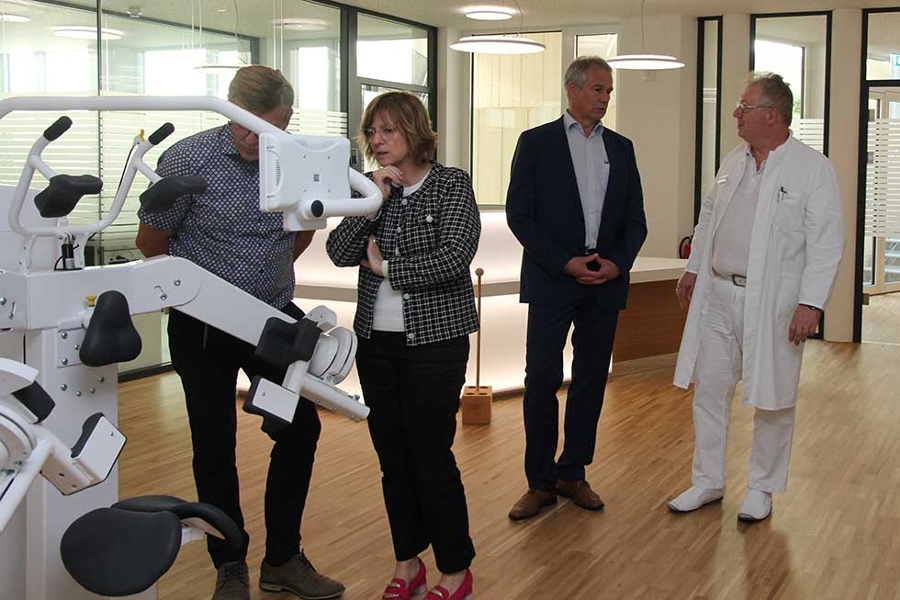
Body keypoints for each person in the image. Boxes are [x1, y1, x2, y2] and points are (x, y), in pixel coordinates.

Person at [135, 66, 344, 600]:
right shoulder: (186, 159)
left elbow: (298, 236)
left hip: (270, 317)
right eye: (242, 126)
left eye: (266, 128)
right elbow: (151, 244)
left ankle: (283, 559)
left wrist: (259, 275)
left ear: (287, 119)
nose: (251, 140)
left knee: (299, 430)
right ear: (226, 111)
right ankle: (229, 565)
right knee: (213, 444)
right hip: (200, 323)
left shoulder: (299, 161)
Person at [667, 72, 844, 522]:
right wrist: (692, 269)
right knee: (709, 390)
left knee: (773, 396)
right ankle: (707, 481)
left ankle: (762, 489)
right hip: (718, 294)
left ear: (771, 114)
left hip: (775, 304)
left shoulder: (811, 168)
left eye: (743, 107)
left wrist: (811, 303)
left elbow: (826, 243)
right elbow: (708, 218)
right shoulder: (733, 161)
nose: (736, 114)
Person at [326, 91, 479, 600]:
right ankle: (408, 561)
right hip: (377, 343)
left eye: (387, 130)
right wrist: (375, 203)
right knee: (392, 456)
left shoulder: (451, 185)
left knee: (430, 454)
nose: (377, 141)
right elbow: (338, 251)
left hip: (435, 343)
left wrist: (388, 269)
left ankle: (455, 569)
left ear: (414, 132)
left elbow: (454, 258)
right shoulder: (374, 191)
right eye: (372, 132)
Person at [505, 56, 647, 521]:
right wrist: (564, 262)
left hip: (603, 284)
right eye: (598, 90)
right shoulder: (536, 143)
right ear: (573, 90)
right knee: (541, 380)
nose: (605, 98)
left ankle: (573, 472)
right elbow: (519, 215)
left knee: (590, 381)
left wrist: (616, 264)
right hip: (552, 280)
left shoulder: (622, 148)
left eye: (609, 91)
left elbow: (635, 221)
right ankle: (540, 482)